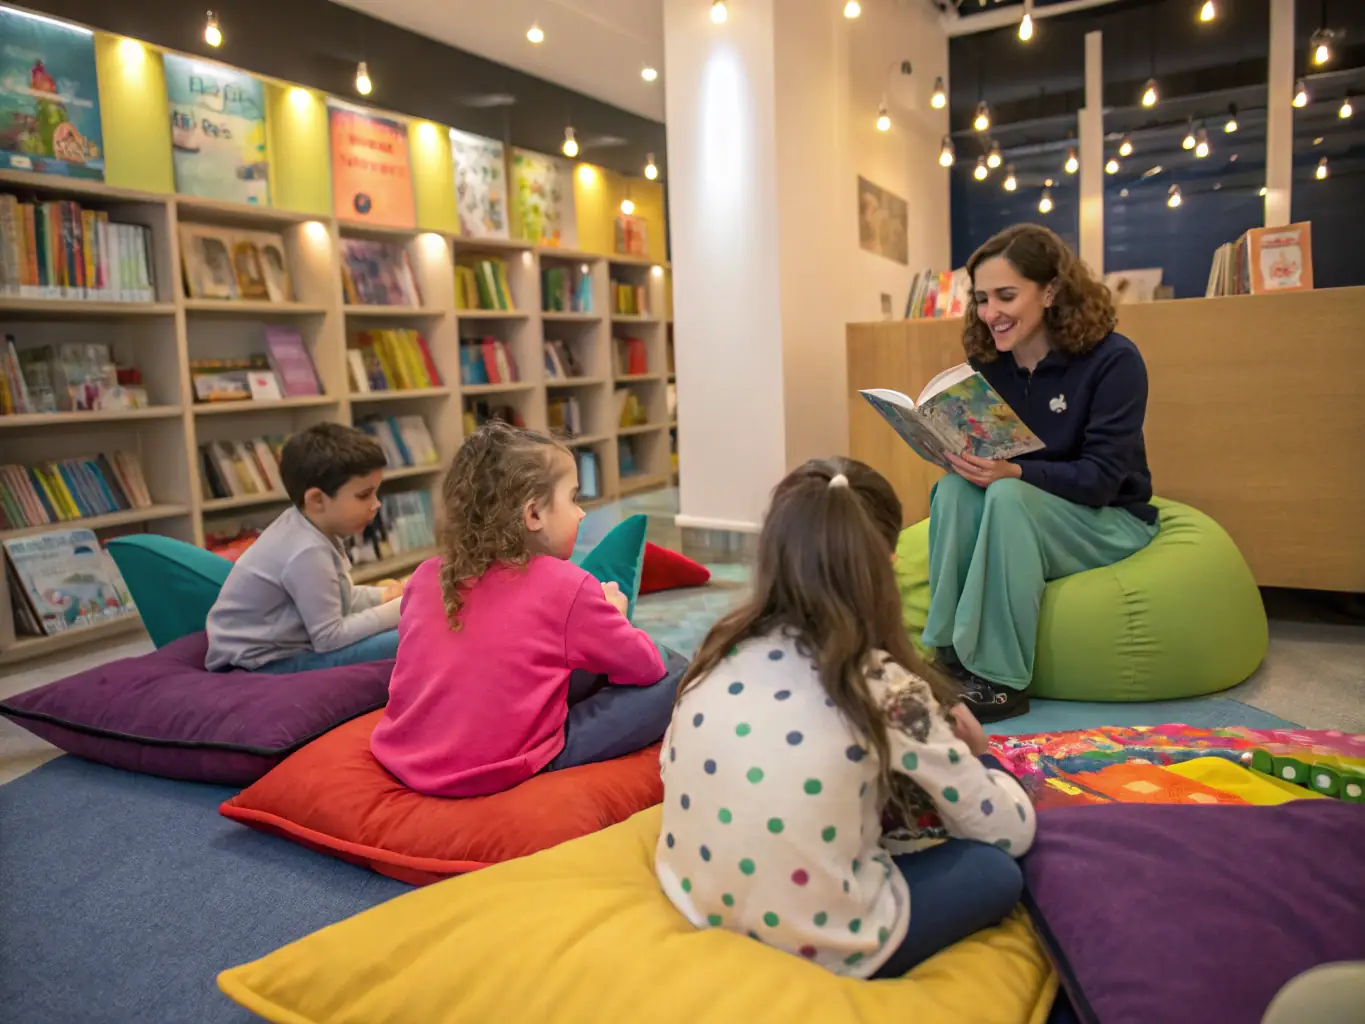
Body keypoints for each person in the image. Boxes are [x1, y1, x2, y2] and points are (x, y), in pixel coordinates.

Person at [655, 457, 1036, 979]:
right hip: (826, 939)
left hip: (695, 898)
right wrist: (984, 757)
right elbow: (1006, 831)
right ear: (887, 563)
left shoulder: (718, 650)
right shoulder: (886, 687)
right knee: (995, 873)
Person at [925, 224, 1160, 722]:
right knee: (951, 490)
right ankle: (945, 656)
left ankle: (1000, 680)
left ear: (1051, 290)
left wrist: (1012, 472)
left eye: (1006, 296)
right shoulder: (989, 365)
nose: (991, 313)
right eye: (982, 299)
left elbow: (1101, 480)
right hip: (1027, 513)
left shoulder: (1115, 361)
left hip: (1108, 519)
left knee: (1009, 496)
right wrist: (959, 456)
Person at [371, 422, 677, 798]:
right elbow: (646, 666)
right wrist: (616, 614)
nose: (581, 514)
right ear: (533, 515)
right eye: (573, 499)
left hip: (405, 757)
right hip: (496, 769)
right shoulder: (567, 585)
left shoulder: (426, 575)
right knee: (673, 671)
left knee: (575, 662)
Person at [205, 423, 402, 673]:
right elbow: (329, 637)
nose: (376, 505)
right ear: (317, 499)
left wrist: (382, 597)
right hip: (265, 664)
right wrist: (399, 610)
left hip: (280, 647)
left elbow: (335, 597)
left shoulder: (307, 526)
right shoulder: (306, 551)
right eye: (364, 496)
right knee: (412, 635)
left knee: (407, 624)